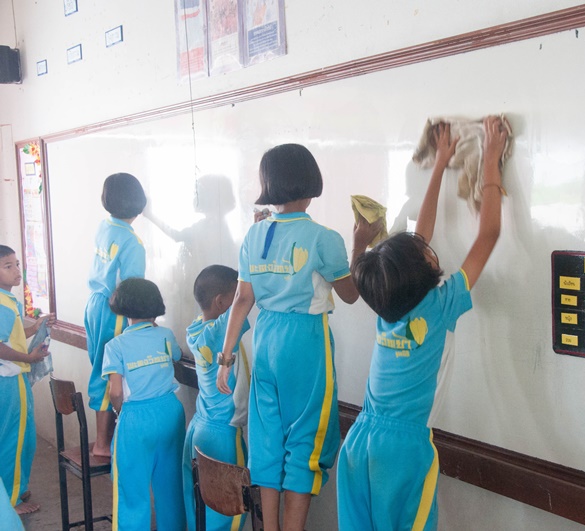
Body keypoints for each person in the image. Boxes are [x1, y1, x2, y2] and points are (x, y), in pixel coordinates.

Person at [336, 117, 507, 531]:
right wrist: (491, 159)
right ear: (423, 265)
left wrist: (441, 163)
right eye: (424, 250)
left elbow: (418, 237)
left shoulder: (385, 302)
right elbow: (488, 234)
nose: (428, 245)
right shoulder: (442, 304)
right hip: (405, 451)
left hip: (359, 443)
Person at [216, 143, 380, 531]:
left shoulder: (254, 235)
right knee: (305, 440)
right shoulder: (323, 238)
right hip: (305, 342)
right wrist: (360, 245)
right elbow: (351, 294)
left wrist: (225, 358)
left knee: (267, 440)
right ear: (310, 182)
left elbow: (241, 299)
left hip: (266, 340)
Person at [102, 278, 185, 531]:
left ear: (123, 307)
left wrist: (119, 411)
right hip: (170, 412)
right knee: (170, 486)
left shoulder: (115, 346)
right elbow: (177, 355)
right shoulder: (166, 335)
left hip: (135, 418)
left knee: (131, 491)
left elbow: (116, 392)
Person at [182, 265, 252, 531]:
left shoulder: (195, 330)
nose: (240, 298)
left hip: (198, 428)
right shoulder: (220, 330)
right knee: (230, 513)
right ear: (221, 303)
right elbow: (248, 297)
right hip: (224, 434)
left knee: (199, 510)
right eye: (235, 295)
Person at [84, 172, 148, 458]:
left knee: (100, 368)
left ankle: (103, 440)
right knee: (111, 373)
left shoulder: (105, 226)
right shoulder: (132, 242)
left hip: (94, 305)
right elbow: (133, 291)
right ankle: (102, 444)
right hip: (115, 311)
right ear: (139, 202)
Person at [0, 245, 51, 515]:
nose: (16, 271)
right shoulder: (2, 304)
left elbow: (14, 333)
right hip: (8, 379)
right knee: (14, 439)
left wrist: (37, 326)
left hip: (11, 378)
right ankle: (11, 501)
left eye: (17, 264)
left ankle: (15, 488)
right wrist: (29, 358)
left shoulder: (8, 300)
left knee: (21, 437)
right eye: (8, 266)